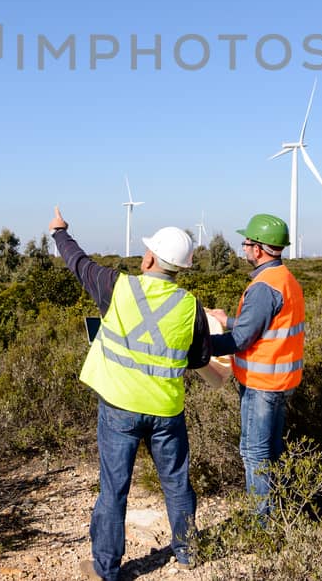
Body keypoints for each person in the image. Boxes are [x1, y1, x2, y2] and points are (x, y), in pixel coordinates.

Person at [49, 205, 211, 581]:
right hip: (166, 410)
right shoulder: (190, 306)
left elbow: (78, 263)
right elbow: (200, 356)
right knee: (176, 483)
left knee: (113, 490)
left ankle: (105, 568)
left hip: (119, 408)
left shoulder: (118, 287)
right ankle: (187, 551)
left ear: (151, 256)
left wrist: (60, 231)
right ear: (181, 266)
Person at [206, 213, 304, 519]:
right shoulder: (285, 279)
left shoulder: (263, 287)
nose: (244, 249)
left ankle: (262, 525)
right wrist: (226, 320)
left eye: (246, 243)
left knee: (255, 454)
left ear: (259, 249)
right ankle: (276, 517)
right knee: (272, 452)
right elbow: (265, 326)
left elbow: (242, 339)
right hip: (281, 381)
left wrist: (200, 343)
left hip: (261, 386)